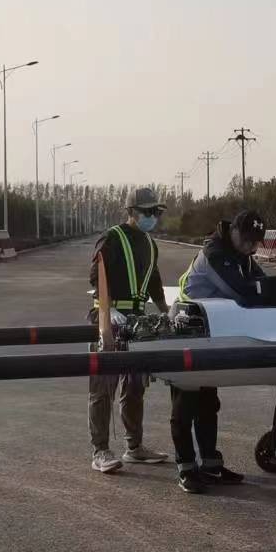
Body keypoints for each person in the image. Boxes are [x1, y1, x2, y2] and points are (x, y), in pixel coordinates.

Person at [170, 209, 269, 494]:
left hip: (207, 331)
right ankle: (186, 468)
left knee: (208, 401)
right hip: (186, 330)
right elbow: (239, 291)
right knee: (185, 402)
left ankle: (211, 465)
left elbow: (262, 282)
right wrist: (267, 293)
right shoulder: (215, 253)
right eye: (247, 240)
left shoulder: (241, 255)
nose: (251, 247)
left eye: (256, 242)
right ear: (233, 231)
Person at [87, 189, 171, 474]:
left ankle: (134, 447)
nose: (153, 217)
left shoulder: (149, 243)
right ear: (132, 212)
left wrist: (165, 310)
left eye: (156, 212)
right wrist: (107, 310)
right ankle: (100, 450)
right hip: (108, 318)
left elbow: (154, 281)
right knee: (104, 386)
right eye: (148, 212)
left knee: (135, 385)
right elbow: (96, 277)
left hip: (137, 320)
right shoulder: (112, 238)